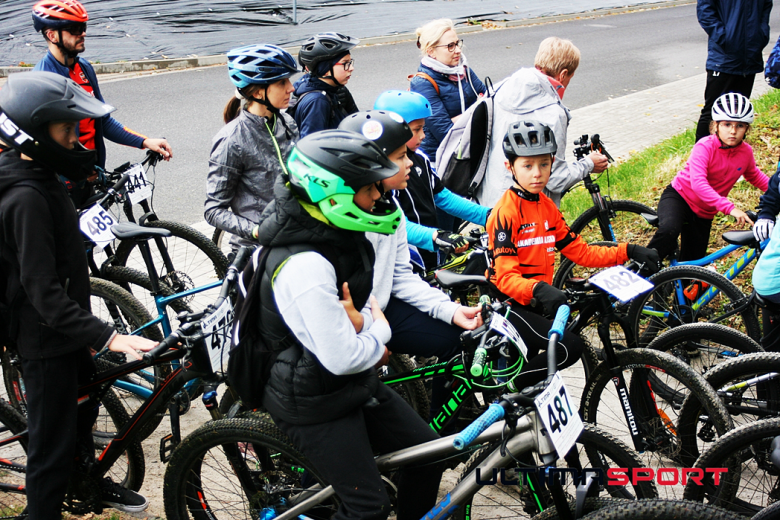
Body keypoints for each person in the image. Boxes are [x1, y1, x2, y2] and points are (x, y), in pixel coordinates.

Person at [252, 129, 442, 520]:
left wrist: (363, 327)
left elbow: (358, 318)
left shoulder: (331, 231)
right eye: (369, 189)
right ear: (333, 193)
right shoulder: (306, 265)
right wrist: (380, 330)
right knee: (367, 509)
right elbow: (345, 354)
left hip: (344, 382)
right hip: (312, 399)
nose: (377, 197)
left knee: (429, 455)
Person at [0, 71, 157, 518]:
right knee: (48, 457)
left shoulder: (44, 173)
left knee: (85, 410)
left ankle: (84, 477)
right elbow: (44, 294)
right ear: (31, 134)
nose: (76, 139)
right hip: (44, 340)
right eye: (67, 129)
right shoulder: (24, 197)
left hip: (67, 333)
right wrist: (109, 337)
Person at [487, 120, 660, 389]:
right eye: (527, 166)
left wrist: (629, 251)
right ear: (510, 167)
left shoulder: (545, 206)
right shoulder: (506, 212)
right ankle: (508, 389)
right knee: (568, 347)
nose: (537, 174)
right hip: (510, 307)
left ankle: (519, 391)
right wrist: (541, 290)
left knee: (543, 363)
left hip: (535, 304)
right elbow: (506, 278)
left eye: (544, 164)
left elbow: (580, 252)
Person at [338, 111, 482, 430]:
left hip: (382, 310)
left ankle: (439, 435)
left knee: (459, 338)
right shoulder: (339, 223)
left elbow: (401, 276)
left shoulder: (390, 205)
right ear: (372, 164)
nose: (411, 164)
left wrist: (448, 310)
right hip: (346, 329)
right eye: (402, 157)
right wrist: (371, 338)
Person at [31, 0, 172, 206]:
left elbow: (103, 121)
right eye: (75, 29)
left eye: (84, 27)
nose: (83, 33)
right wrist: (73, 171)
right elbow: (42, 145)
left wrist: (144, 141)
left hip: (90, 177)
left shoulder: (84, 69)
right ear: (52, 35)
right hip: (61, 188)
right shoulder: (43, 81)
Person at [477, 37, 608, 208]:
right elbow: (556, 179)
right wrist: (588, 164)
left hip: (491, 198)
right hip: (526, 209)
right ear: (563, 75)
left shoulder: (501, 88)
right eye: (570, 77)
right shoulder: (553, 113)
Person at [373, 90, 489, 269]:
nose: (423, 136)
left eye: (423, 128)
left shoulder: (420, 158)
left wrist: (487, 216)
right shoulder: (386, 173)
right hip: (407, 256)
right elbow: (396, 223)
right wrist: (435, 236)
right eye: (416, 130)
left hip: (432, 249)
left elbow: (442, 197)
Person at [646, 93, 768, 262]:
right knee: (669, 231)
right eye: (727, 124)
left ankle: (672, 283)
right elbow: (698, 183)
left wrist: (776, 192)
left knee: (693, 263)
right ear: (715, 126)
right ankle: (641, 269)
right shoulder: (704, 147)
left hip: (705, 212)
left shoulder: (745, 152)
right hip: (680, 197)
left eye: (739, 125)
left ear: (747, 129)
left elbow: (755, 176)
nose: (733, 131)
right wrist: (729, 208)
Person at [204, 43, 299, 251]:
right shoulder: (231, 140)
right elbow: (213, 210)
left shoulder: (287, 122)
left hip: (296, 238)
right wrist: (258, 230)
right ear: (258, 93)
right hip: (257, 251)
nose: (291, 88)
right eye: (283, 82)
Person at [695, 0, 773, 142]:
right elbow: (705, 10)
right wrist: (725, 37)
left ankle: (731, 159)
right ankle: (700, 159)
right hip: (724, 58)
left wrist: (761, 35)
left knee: (739, 112)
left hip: (749, 58)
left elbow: (766, 7)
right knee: (712, 111)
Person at [410, 18, 486, 163]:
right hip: (442, 159)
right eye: (450, 46)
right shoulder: (422, 83)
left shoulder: (463, 71)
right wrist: (476, 109)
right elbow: (445, 132)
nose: (457, 50)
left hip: (469, 150)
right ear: (431, 51)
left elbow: (490, 99)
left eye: (457, 43)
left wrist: (458, 119)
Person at [290, 32, 360, 138]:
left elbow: (357, 122)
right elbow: (312, 148)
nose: (351, 68)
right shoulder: (317, 102)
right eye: (345, 63)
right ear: (325, 70)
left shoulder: (338, 89)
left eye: (350, 62)